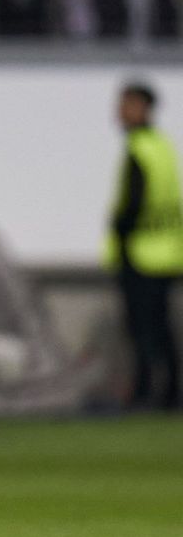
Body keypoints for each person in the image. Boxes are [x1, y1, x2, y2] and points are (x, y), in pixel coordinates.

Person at [105, 81, 183, 411]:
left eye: (126, 105)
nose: (119, 112)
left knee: (144, 330)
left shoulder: (140, 149)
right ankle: (167, 392)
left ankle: (150, 393)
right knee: (161, 327)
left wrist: (119, 228)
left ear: (142, 107)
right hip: (168, 251)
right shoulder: (162, 146)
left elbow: (133, 204)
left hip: (142, 253)